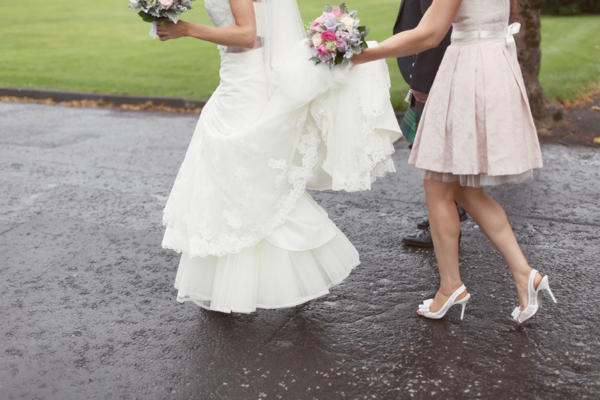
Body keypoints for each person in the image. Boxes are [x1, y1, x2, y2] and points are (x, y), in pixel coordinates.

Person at [156, 0, 401, 313]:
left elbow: (247, 34)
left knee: (240, 175)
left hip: (246, 80)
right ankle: (245, 280)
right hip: (238, 75)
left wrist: (186, 29)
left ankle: (270, 277)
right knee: (243, 176)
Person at [353, 0, 557, 323]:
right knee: (466, 191)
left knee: (437, 187)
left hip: (469, 70)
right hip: (491, 65)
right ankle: (524, 274)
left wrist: (362, 54)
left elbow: (430, 34)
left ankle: (451, 287)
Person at [393, 0, 468, 248]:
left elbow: (438, 31)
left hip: (435, 71)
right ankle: (446, 214)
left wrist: (423, 81)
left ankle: (448, 219)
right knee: (436, 159)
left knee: (436, 161)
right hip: (437, 69)